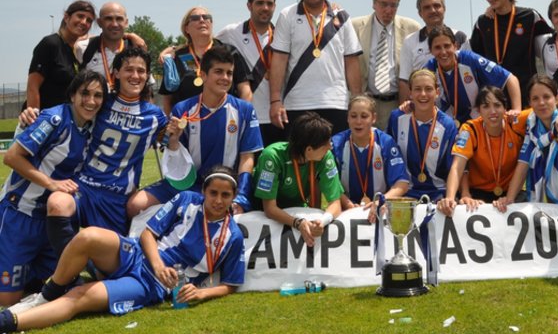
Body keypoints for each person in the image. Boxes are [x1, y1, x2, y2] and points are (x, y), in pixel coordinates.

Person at [0, 166, 246, 330]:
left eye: (225, 195)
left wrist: (202, 293)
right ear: (203, 191)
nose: (218, 200)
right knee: (89, 237)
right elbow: (148, 233)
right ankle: (46, 296)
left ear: (233, 197)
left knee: (79, 297)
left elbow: (231, 284)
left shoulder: (232, 236)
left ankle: (8, 322)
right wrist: (158, 264)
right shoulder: (186, 200)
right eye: (213, 192)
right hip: (136, 254)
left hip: (152, 285)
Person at [43, 47, 169, 257]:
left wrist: (175, 132)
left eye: (141, 71)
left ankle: (89, 266)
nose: (135, 75)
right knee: (57, 203)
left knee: (109, 270)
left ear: (147, 75)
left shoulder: (155, 116)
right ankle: (69, 272)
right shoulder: (101, 102)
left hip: (117, 199)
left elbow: (171, 144)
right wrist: (31, 112)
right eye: (129, 69)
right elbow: (67, 112)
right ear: (116, 73)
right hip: (85, 188)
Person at [0, 71, 106, 306]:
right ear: (72, 95)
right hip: (20, 213)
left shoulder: (92, 125)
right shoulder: (53, 119)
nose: (91, 101)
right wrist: (51, 184)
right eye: (85, 93)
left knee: (47, 285)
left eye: (98, 95)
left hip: (51, 220)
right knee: (7, 299)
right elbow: (12, 157)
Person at [127, 46, 263, 217]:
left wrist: (241, 196)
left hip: (221, 187)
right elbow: (171, 151)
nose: (225, 78)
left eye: (229, 73)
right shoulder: (183, 109)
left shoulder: (244, 110)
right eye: (219, 72)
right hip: (185, 183)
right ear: (203, 75)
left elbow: (247, 159)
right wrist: (173, 139)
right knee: (135, 205)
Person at [495, 76, 558, 247]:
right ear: (529, 102)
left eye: (546, 97)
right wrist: (510, 198)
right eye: (535, 99)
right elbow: (524, 161)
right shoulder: (532, 123)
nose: (541, 103)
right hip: (556, 196)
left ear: (556, 98)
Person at [269, 0, 362, 135]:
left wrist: (356, 101)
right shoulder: (287, 15)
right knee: (299, 159)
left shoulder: (341, 16)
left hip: (336, 103)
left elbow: (352, 61)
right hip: (297, 103)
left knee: (333, 159)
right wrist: (275, 100)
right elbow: (279, 60)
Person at [253, 112, 344, 248]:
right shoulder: (272, 157)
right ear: (309, 149)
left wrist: (321, 221)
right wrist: (297, 223)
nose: (330, 146)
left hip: (298, 213)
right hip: (264, 214)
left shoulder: (325, 156)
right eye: (326, 143)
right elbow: (269, 208)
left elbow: (335, 203)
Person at [437, 86, 526, 216]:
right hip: (478, 193)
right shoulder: (470, 129)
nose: (493, 111)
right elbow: (457, 167)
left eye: (497, 105)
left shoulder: (515, 122)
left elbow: (546, 105)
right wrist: (450, 198)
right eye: (486, 106)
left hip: (512, 192)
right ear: (479, 111)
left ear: (505, 108)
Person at [215, 0, 282, 146]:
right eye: (259, 3)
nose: (265, 8)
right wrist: (173, 49)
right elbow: (204, 44)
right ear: (249, 5)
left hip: (278, 116)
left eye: (269, 3)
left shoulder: (283, 32)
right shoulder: (232, 32)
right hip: (248, 116)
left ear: (275, 6)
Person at [351, 0, 421, 128]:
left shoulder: (412, 28)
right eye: (383, 4)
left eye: (393, 5)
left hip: (399, 104)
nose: (388, 10)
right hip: (366, 104)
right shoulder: (354, 26)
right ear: (373, 3)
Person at [159, 6, 252, 115]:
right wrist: (174, 124)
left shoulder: (229, 52)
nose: (202, 20)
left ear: (211, 24)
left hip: (226, 122)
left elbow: (245, 90)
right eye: (195, 18)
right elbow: (167, 99)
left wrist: (241, 117)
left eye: (206, 17)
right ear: (186, 28)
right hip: (187, 123)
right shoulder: (176, 57)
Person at [469, 0, 552, 92]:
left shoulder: (529, 16)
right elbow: (475, 56)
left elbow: (555, 39)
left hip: (525, 90)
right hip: (495, 93)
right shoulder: (482, 22)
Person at [425, 25, 521, 125]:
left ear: (455, 46)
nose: (443, 52)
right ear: (430, 50)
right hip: (449, 125)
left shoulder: (469, 59)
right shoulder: (429, 69)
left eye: (447, 46)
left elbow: (510, 78)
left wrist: (516, 109)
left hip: (479, 122)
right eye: (437, 48)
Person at [387, 69, 458, 201]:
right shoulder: (397, 118)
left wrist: (450, 198)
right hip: (404, 193)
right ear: (410, 93)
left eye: (428, 89)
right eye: (418, 89)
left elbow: (453, 167)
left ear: (437, 92)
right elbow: (390, 159)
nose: (423, 94)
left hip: (438, 194)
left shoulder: (448, 125)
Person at [331, 96, 409, 212]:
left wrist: (381, 201)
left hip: (380, 207)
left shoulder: (386, 143)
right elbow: (329, 181)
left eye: (364, 116)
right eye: (353, 116)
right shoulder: (336, 143)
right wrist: (347, 203)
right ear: (347, 118)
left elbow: (402, 184)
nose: (358, 121)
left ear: (373, 118)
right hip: (345, 210)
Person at [398, 0, 469, 102]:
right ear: (420, 13)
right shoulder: (410, 41)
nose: (433, 10)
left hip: (458, 105)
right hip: (423, 106)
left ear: (444, 9)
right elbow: (404, 80)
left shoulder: (460, 37)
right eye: (427, 8)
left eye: (437, 6)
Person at [26, 0, 96, 110]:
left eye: (89, 21)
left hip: (65, 120)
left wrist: (129, 36)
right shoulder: (51, 44)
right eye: (80, 16)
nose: (84, 22)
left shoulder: (76, 49)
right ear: (67, 17)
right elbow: (32, 87)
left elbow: (103, 38)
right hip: (45, 119)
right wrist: (35, 120)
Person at [77, 2, 148, 90]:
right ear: (99, 22)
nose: (114, 24)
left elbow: (147, 89)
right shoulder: (83, 48)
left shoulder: (136, 49)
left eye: (119, 19)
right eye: (108, 19)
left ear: (126, 22)